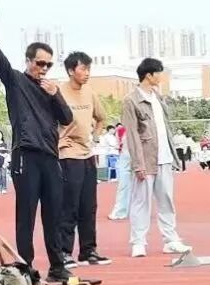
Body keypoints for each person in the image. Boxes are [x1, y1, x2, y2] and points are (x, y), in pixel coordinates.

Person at [0, 23, 74, 283]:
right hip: (26, 155)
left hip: (50, 157)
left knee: (54, 213)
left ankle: (57, 266)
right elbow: (1, 64)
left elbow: (67, 118)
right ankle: (26, 268)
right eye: (40, 63)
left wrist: (56, 94)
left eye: (48, 65)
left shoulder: (50, 90)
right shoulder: (16, 81)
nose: (44, 68)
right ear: (28, 61)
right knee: (26, 215)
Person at [121, 58, 192, 257]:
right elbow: (132, 134)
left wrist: (173, 157)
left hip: (164, 157)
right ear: (149, 75)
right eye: (158, 72)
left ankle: (171, 240)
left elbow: (165, 129)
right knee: (141, 202)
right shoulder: (131, 100)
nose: (161, 76)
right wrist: (138, 163)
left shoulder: (158, 98)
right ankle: (138, 242)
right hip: (146, 158)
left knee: (166, 200)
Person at [57, 51, 111, 268]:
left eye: (89, 69)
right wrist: (59, 142)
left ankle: (88, 250)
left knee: (89, 206)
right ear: (71, 71)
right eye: (83, 69)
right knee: (69, 206)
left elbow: (102, 118)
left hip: (88, 155)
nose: (87, 73)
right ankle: (64, 252)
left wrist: (96, 135)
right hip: (68, 155)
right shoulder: (58, 92)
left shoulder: (89, 92)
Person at [108, 123, 130, 220]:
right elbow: (118, 145)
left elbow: (118, 145)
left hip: (127, 157)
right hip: (126, 157)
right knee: (125, 184)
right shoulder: (120, 131)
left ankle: (121, 210)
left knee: (125, 185)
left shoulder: (120, 131)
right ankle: (122, 210)